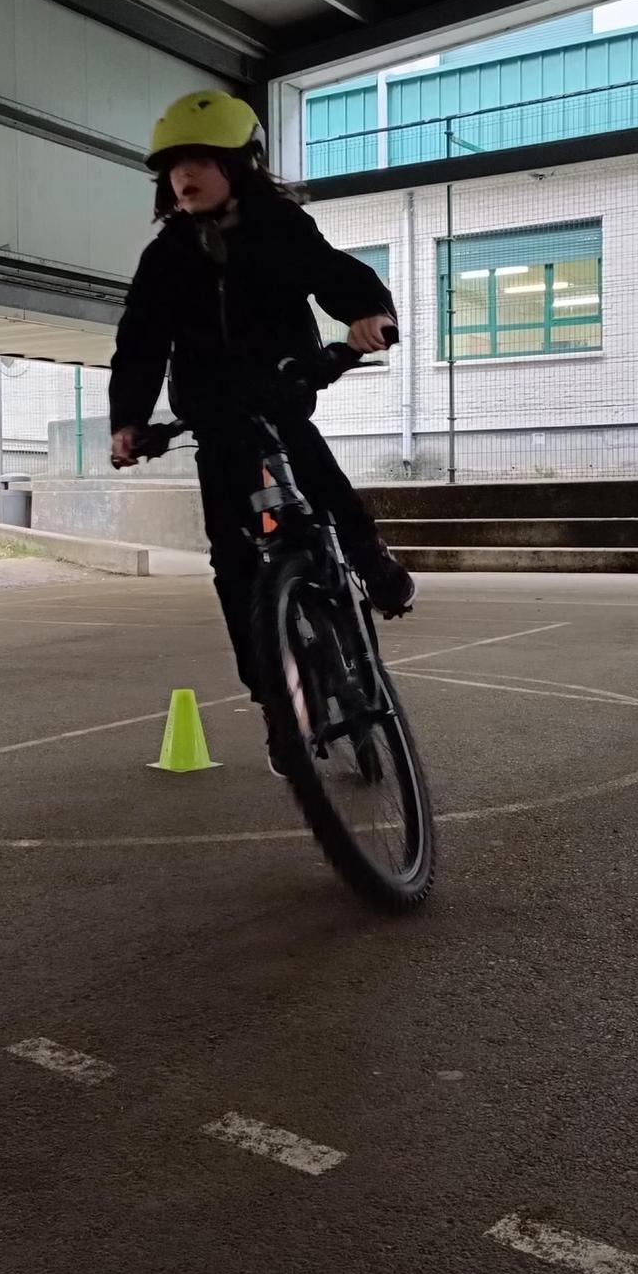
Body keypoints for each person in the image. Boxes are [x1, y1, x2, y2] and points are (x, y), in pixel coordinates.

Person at [109, 90, 415, 772]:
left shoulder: (279, 226)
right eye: (173, 167)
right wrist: (128, 420)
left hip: (279, 388)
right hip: (214, 416)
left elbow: (335, 274)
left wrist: (368, 314)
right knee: (233, 561)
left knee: (320, 481)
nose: (183, 176)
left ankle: (373, 565)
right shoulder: (166, 257)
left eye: (201, 162)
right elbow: (140, 341)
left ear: (239, 165)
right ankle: (279, 703)